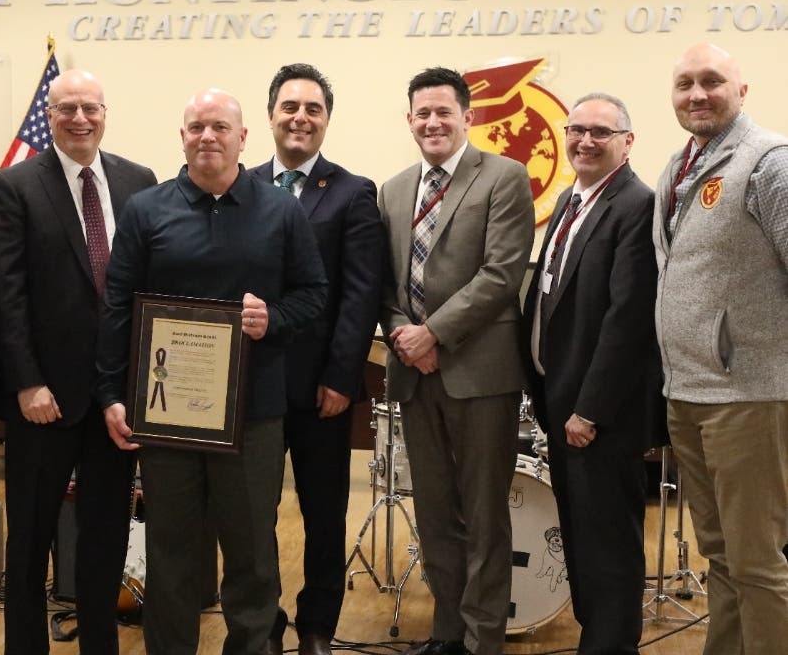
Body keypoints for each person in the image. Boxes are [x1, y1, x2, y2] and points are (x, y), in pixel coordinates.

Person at [96, 88, 327, 655]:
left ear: (242, 137)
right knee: (172, 553)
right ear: (182, 136)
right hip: (166, 416)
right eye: (197, 126)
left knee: (252, 554)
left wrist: (273, 318)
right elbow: (117, 305)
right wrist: (111, 392)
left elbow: (314, 293)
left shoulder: (281, 210)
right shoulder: (146, 210)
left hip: (253, 417)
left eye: (220, 127)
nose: (208, 136)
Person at [0, 68, 156, 655]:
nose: (79, 118)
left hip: (115, 401)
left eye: (90, 108)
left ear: (105, 114)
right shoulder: (15, 186)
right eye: (67, 108)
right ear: (49, 116)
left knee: (105, 539)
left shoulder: (139, 181)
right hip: (45, 401)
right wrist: (26, 382)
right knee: (30, 543)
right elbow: (6, 295)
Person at [379, 67, 534, 655]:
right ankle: (448, 634)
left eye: (444, 112)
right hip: (414, 378)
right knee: (435, 513)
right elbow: (385, 284)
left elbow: (501, 274)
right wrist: (404, 336)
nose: (433, 122)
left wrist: (433, 336)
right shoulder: (393, 190)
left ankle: (482, 641)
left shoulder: (504, 177)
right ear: (408, 120)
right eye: (422, 113)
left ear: (468, 117)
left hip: (480, 374)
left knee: (484, 516)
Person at [654, 42, 788, 655]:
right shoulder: (678, 166)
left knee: (756, 561)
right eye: (685, 84)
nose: (697, 94)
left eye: (712, 81)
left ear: (742, 90)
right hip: (687, 391)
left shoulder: (769, 163)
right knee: (721, 555)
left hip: (749, 394)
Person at [522, 93, 664, 654]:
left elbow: (628, 320)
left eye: (600, 132)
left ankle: (611, 645)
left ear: (627, 143)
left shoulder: (636, 205)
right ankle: (596, 638)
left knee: (609, 544)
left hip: (598, 414)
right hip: (562, 400)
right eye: (576, 129)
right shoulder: (572, 198)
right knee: (582, 538)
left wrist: (590, 410)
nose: (585, 141)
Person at [250, 64, 383, 655]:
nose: (300, 117)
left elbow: (361, 294)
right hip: (249, 385)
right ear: (271, 115)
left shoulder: (353, 192)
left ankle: (316, 627)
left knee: (324, 515)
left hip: (321, 388)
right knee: (252, 515)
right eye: (290, 106)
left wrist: (341, 376)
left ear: (326, 119)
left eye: (313, 108)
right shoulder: (241, 185)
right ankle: (263, 622)